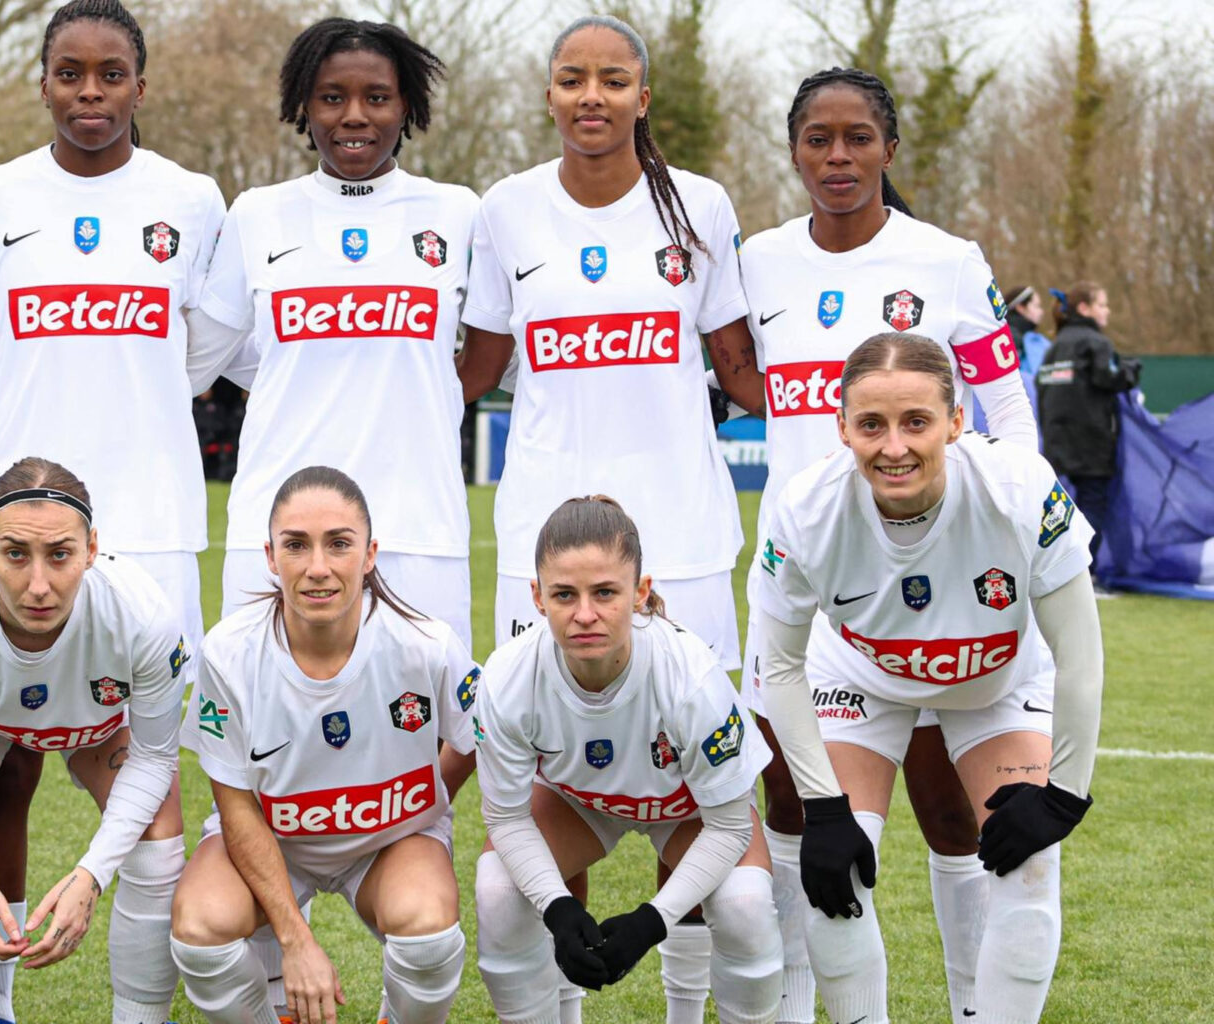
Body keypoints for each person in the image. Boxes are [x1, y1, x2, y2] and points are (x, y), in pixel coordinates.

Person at [452, 15, 765, 1018]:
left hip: (683, 529)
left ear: (642, 94)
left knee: (702, 785)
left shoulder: (701, 206)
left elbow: (742, 369)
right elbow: (473, 371)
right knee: (546, 792)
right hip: (547, 539)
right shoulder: (504, 210)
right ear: (549, 93)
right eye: (573, 79)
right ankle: (561, 999)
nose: (593, 96)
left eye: (613, 79)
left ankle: (683, 1000)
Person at [0, 2, 231, 1015]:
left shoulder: (190, 198)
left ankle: (137, 1009)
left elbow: (215, 343)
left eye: (110, 76)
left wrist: (130, 391)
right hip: (17, 527)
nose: (89, 94)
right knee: (1, 772)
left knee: (149, 774)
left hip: (149, 522)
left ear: (140, 85)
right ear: (43, 82)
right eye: (70, 74)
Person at [735, 66, 1039, 1023]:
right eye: (818, 139)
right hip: (808, 579)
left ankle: (969, 1008)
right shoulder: (759, 261)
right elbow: (741, 378)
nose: (837, 157)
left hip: (940, 577)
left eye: (857, 138)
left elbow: (1005, 404)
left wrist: (1017, 518)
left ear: (889, 150)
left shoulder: (947, 259)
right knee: (792, 806)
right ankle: (789, 1005)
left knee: (954, 813)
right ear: (793, 150)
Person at [753, 332, 1104, 1024]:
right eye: (871, 425)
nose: (894, 447)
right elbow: (780, 665)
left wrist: (1064, 796)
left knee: (1031, 866)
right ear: (841, 429)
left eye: (916, 422)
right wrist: (823, 807)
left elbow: (1081, 655)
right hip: (858, 676)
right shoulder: (805, 510)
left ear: (958, 419)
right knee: (838, 874)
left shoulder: (1019, 487)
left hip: (997, 681)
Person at [202, 17, 478, 648]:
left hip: (419, 528)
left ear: (407, 104)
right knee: (263, 734)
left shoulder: (458, 213)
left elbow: (498, 354)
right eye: (332, 97)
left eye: (377, 97)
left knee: (432, 735)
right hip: (278, 533)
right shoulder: (257, 214)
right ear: (304, 104)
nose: (355, 115)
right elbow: (196, 359)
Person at [0, 457, 189, 1024]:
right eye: (16, 554)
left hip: (95, 720)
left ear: (92, 548)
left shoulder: (143, 616)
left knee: (159, 835)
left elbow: (153, 758)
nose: (39, 585)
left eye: (61, 554)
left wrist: (92, 874)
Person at [171, 466, 478, 1024]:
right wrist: (294, 940)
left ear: (369, 554)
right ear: (270, 556)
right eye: (296, 545)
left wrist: (422, 803)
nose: (318, 568)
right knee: (200, 931)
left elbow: (475, 737)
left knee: (428, 931)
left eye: (338, 544)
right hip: (273, 843)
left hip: (387, 844)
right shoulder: (229, 653)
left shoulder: (426, 645)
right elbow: (233, 803)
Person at [475, 496, 780, 1024]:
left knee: (745, 905)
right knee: (499, 892)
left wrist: (651, 921)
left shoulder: (691, 678)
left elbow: (730, 827)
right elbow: (505, 816)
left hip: (685, 810)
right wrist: (557, 905)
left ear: (641, 593)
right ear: (537, 597)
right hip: (580, 803)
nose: (585, 614)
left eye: (605, 593)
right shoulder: (506, 678)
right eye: (564, 594)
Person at [1038, 281, 1141, 575]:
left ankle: (1051, 572)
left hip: (1056, 441)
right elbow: (1108, 378)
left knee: (1055, 510)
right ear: (1084, 308)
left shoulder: (1055, 346)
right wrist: (1131, 371)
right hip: (1091, 442)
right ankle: (1084, 576)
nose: (1107, 311)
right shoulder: (1096, 343)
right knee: (1092, 506)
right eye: (1103, 304)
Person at [1005, 285, 1053, 392]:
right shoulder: (1015, 338)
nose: (1041, 312)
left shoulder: (1023, 335)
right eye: (1036, 306)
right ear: (1021, 307)